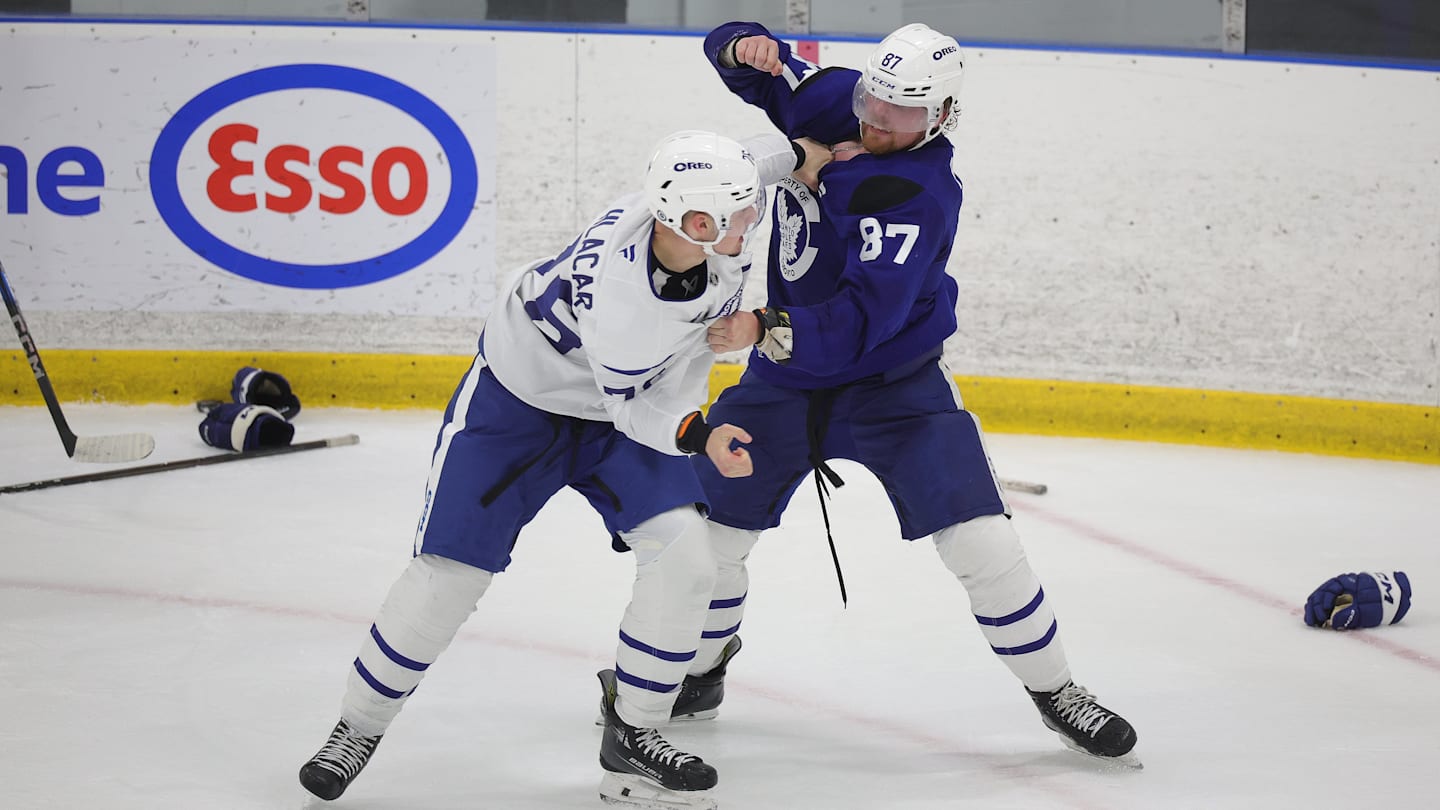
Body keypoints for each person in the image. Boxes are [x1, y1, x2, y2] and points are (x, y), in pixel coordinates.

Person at [297, 129, 829, 808]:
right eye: (742, 213)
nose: (755, 217)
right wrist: (701, 436)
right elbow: (633, 410)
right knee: (449, 577)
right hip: (522, 405)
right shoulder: (624, 304)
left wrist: (814, 153)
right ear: (697, 225)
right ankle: (357, 728)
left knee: (687, 558)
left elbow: (759, 158)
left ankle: (635, 734)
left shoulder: (704, 206)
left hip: (618, 404)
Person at [672, 21, 1141, 766]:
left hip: (894, 385)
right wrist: (743, 44)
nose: (878, 122)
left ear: (942, 115)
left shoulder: (920, 192)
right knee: (707, 535)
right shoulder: (842, 102)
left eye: (901, 113)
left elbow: (862, 322)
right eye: (873, 102)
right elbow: (756, 70)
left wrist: (813, 192)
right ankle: (699, 673)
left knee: (983, 541)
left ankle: (1057, 691)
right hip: (782, 383)